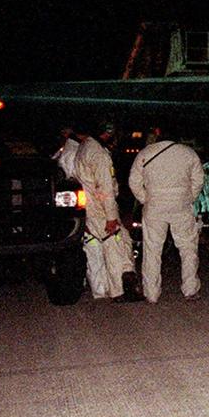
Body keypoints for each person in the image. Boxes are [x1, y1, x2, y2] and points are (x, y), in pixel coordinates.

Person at [128, 131, 205, 303]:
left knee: (152, 249)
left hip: (154, 206)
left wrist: (145, 198)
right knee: (188, 248)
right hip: (181, 206)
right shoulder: (188, 153)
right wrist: (188, 197)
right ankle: (190, 289)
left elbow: (133, 181)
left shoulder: (146, 153)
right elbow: (198, 180)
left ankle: (151, 293)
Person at [74, 121, 142, 302]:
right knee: (115, 248)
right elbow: (105, 189)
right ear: (108, 133)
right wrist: (111, 217)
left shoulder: (85, 148)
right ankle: (119, 292)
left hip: (91, 207)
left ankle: (110, 289)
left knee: (113, 245)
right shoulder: (98, 154)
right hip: (101, 209)